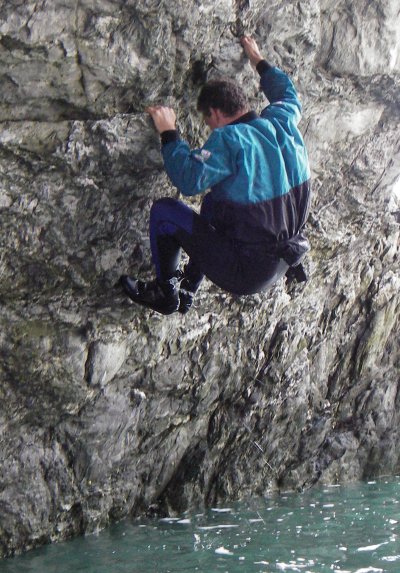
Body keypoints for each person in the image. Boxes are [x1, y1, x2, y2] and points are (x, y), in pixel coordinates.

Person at [119, 36, 311, 315]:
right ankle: (188, 286)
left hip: (246, 271)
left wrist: (169, 133)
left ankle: (165, 293)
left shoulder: (231, 139)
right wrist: (258, 59)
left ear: (217, 113)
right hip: (282, 260)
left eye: (208, 122)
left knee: (165, 212)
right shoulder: (282, 121)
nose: (210, 129)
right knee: (214, 203)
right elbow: (287, 94)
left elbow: (188, 179)